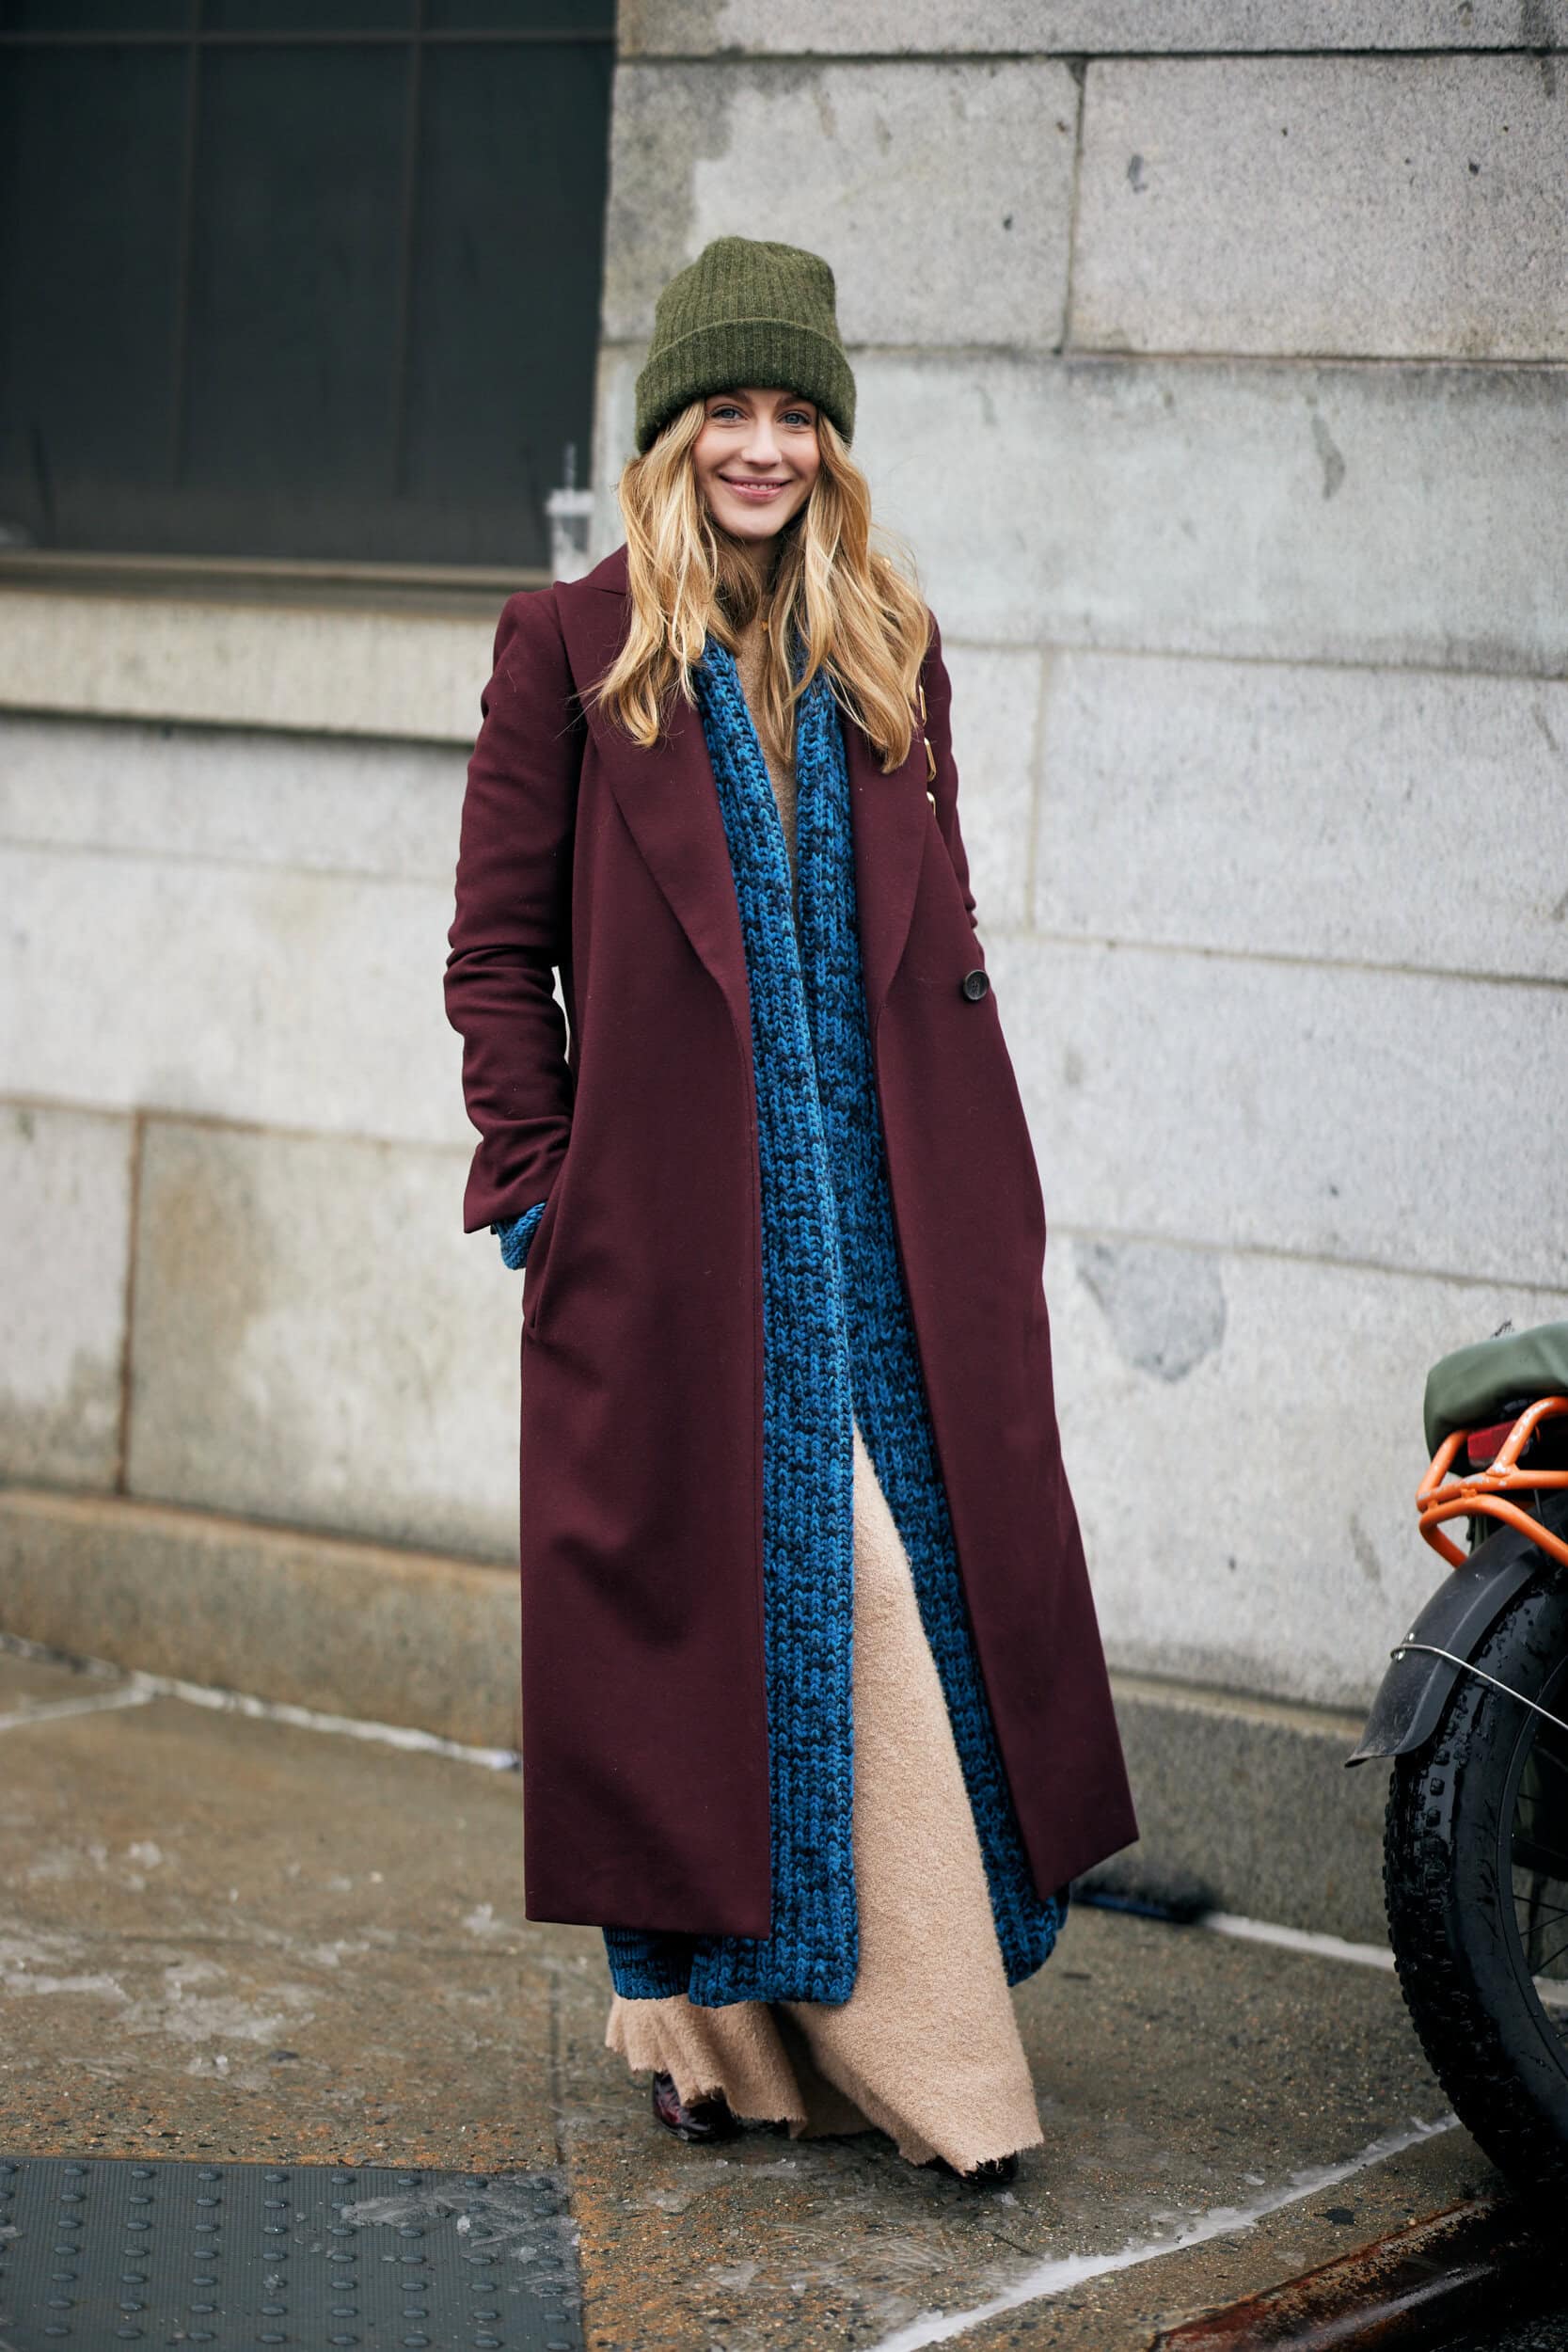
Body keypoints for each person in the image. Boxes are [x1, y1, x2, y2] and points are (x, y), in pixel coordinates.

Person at [445, 235, 1136, 2182]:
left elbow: (950, 931)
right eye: (726, 412)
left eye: (795, 414)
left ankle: (762, 2042)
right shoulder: (569, 649)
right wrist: (542, 1196)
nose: (762, 447)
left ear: (832, 438)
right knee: (722, 1625)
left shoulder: (889, 644)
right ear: (669, 432)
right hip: (672, 1246)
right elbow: (496, 956)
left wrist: (991, 1191)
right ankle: (909, 2072)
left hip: (898, 1233)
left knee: (887, 1601)